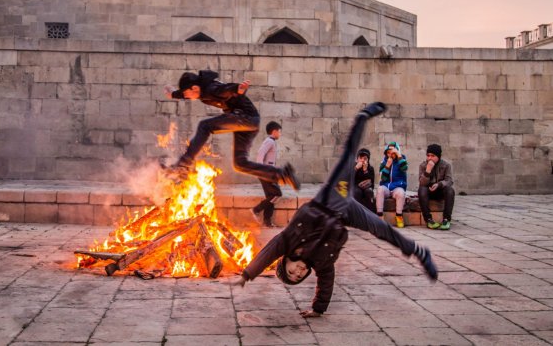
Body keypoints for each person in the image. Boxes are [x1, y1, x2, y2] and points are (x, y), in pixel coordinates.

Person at [233, 102, 438, 318]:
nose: (298, 271)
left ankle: (362, 117)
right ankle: (419, 251)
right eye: (299, 276)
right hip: (346, 213)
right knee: (381, 228)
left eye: (292, 270)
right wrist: (318, 309)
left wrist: (247, 275)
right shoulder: (322, 263)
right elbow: (326, 283)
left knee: (348, 157)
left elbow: (268, 253)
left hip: (330, 200)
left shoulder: (288, 241)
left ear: (286, 260)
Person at [164, 70, 300, 190]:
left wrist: (237, 89)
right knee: (240, 164)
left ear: (194, 88)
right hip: (247, 121)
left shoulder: (211, 88)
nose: (187, 97)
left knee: (205, 126)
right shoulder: (200, 88)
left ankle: (183, 164)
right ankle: (282, 174)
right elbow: (185, 93)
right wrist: (173, 95)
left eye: (187, 95)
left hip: (245, 117)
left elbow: (224, 89)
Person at [251, 121, 283, 227]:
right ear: (274, 131)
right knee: (277, 194)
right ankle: (256, 209)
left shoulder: (271, 141)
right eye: (279, 132)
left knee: (271, 197)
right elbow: (260, 154)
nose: (280, 134)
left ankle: (267, 221)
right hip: (266, 174)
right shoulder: (270, 141)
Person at [418, 144, 455, 230]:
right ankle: (429, 220)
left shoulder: (446, 165)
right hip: (428, 191)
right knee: (421, 190)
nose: (430, 158)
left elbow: (449, 181)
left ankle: (446, 219)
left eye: (432, 156)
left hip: (440, 190)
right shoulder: (423, 165)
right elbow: (422, 183)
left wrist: (439, 184)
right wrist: (427, 171)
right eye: (428, 155)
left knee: (450, 190)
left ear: (438, 156)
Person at [375, 142, 408, 228]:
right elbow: (383, 178)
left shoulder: (402, 159)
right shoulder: (384, 161)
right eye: (388, 152)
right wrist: (387, 166)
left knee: (401, 193)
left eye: (393, 152)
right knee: (380, 190)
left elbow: (404, 168)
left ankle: (399, 216)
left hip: (397, 187)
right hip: (386, 186)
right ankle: (379, 216)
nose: (390, 154)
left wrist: (398, 155)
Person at [353, 148, 375, 213]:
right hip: (356, 186)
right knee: (356, 192)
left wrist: (365, 170)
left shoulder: (370, 168)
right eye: (360, 158)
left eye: (365, 158)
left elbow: (371, 183)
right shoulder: (353, 166)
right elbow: (348, 178)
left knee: (369, 192)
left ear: (368, 160)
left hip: (367, 187)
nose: (362, 160)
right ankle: (356, 213)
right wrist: (356, 168)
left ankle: (370, 214)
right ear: (357, 159)